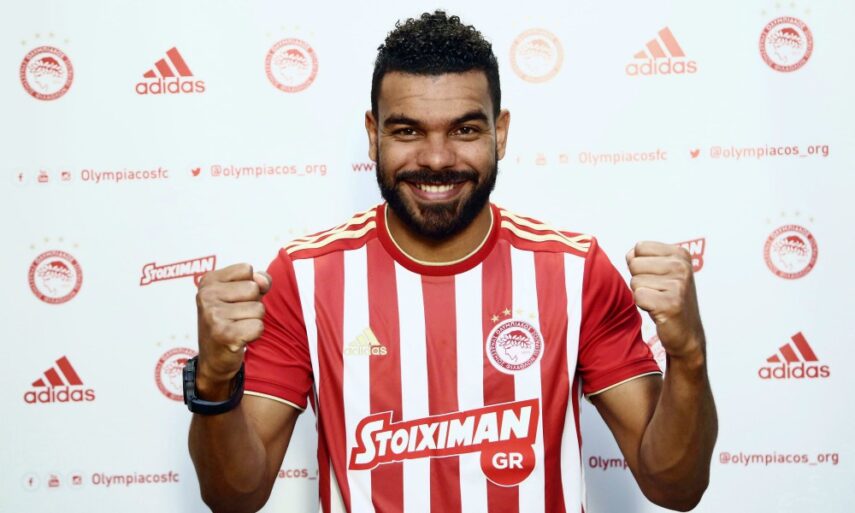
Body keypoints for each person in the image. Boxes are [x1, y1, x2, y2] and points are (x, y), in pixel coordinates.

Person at [187, 10, 717, 513]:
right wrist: (214, 380)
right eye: (407, 131)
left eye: (464, 130)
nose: (437, 158)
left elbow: (675, 485)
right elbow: (235, 497)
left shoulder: (575, 271)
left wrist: (689, 354)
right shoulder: (305, 277)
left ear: (499, 133)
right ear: (373, 135)